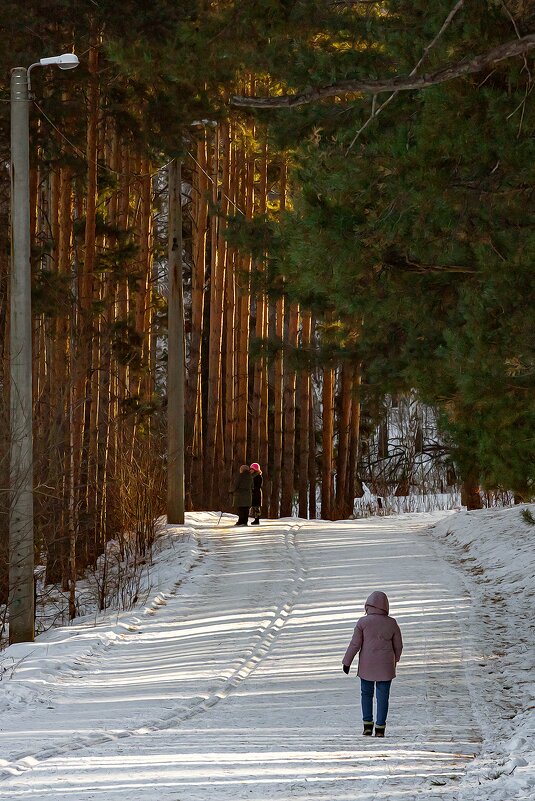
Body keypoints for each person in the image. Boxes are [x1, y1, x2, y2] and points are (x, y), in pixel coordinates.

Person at [342, 590, 403, 737]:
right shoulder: (392, 623)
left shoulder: (363, 623)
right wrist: (395, 659)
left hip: (366, 666)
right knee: (383, 696)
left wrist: (347, 662)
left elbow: (355, 644)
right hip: (386, 666)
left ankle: (367, 725)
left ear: (368, 605)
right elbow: (398, 645)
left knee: (366, 694)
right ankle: (380, 728)